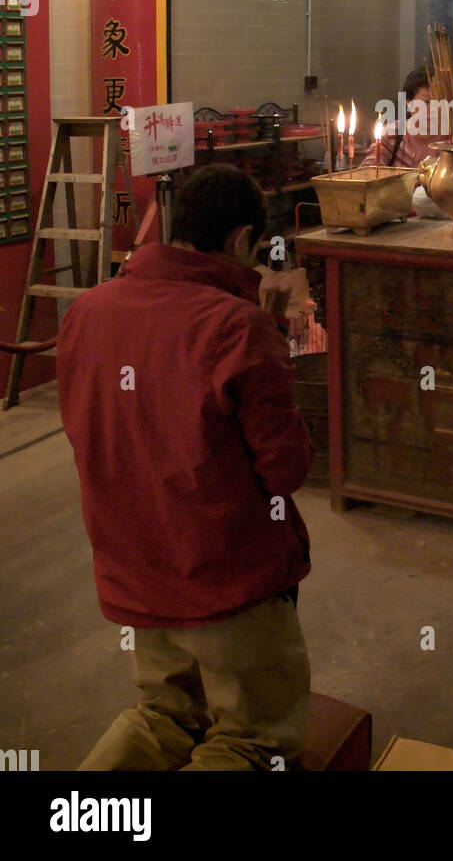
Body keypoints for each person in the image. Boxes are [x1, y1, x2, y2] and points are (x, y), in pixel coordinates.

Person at [58, 164, 313, 771]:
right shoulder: (236, 327)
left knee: (163, 716)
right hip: (225, 576)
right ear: (238, 239)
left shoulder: (89, 310)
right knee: (253, 740)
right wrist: (274, 336)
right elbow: (285, 470)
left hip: (134, 566)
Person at [361, 67, 439, 169]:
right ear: (408, 102)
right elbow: (368, 171)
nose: (434, 109)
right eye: (426, 102)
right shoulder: (393, 134)